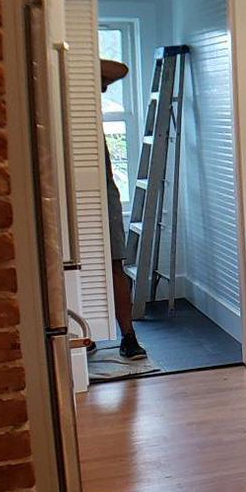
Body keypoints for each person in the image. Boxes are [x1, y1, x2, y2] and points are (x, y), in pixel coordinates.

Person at [99, 59, 149, 361]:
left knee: (115, 265)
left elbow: (121, 70)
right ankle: (83, 335)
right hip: (70, 194)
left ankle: (128, 337)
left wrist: (80, 62)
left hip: (104, 195)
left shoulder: (89, 88)